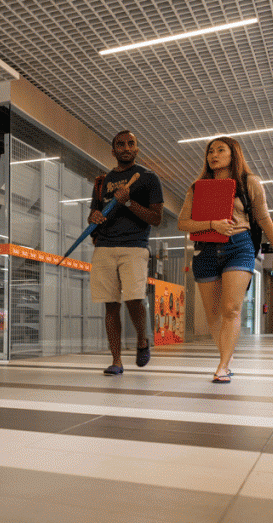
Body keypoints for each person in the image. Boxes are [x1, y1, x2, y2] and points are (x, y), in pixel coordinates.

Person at [177, 136, 273, 383]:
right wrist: (212, 224)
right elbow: (183, 222)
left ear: (233, 154)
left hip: (239, 246)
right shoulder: (197, 187)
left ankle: (223, 365)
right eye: (210, 151)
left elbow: (264, 218)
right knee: (213, 314)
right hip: (205, 250)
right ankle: (227, 355)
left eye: (220, 150)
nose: (213, 155)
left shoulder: (249, 182)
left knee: (231, 308)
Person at [88, 131, 164, 375]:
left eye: (131, 143)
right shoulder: (101, 182)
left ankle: (142, 340)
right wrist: (94, 216)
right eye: (120, 144)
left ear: (137, 148)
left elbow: (157, 218)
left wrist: (129, 202)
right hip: (104, 247)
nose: (126, 148)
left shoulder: (148, 178)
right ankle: (116, 360)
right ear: (113, 151)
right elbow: (93, 213)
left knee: (134, 299)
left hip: (134, 246)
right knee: (110, 304)